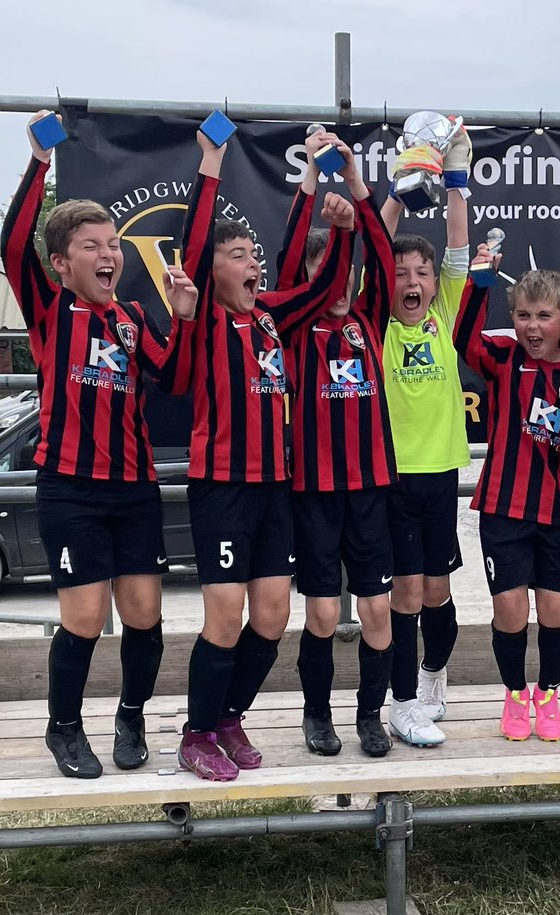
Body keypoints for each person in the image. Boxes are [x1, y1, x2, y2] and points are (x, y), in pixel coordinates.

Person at [0, 111, 197, 779]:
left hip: (135, 489)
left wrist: (183, 314)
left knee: (144, 616)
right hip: (70, 489)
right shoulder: (52, 309)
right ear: (62, 262)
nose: (109, 253)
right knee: (84, 618)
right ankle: (63, 728)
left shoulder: (136, 318)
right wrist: (37, 163)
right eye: (91, 244)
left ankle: (132, 714)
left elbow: (177, 377)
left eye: (112, 243)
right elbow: (11, 246)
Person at [171, 130, 355, 780]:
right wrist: (211, 163)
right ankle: (196, 732)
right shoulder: (200, 322)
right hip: (221, 486)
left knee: (273, 616)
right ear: (211, 267)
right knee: (225, 614)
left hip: (277, 486)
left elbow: (328, 275)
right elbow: (193, 243)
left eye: (255, 255)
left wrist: (335, 221)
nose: (253, 264)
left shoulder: (275, 314)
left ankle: (228, 715)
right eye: (238, 254)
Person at [276, 130, 399, 758]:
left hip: (372, 490)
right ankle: (316, 715)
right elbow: (289, 254)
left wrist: (353, 182)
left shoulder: (368, 320)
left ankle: (370, 717)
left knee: (378, 614)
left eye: (345, 275)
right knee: (323, 617)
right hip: (315, 493)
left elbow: (379, 251)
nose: (340, 287)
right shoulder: (293, 325)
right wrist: (309, 184)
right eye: (326, 277)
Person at [453, 246, 560, 741]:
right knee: (510, 609)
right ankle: (516, 696)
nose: (533, 327)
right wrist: (480, 282)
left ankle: (550, 694)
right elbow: (463, 338)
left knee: (556, 610)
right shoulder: (502, 358)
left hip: (555, 512)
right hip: (502, 507)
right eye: (523, 315)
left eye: (544, 316)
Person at [377, 122, 474, 747]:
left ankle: (433, 679)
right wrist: (399, 185)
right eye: (401, 272)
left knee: (438, 594)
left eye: (422, 273)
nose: (412, 283)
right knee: (405, 595)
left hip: (440, 473)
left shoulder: (443, 315)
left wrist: (457, 176)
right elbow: (370, 242)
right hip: (390, 477)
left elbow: (460, 246)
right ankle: (403, 704)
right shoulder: (373, 321)